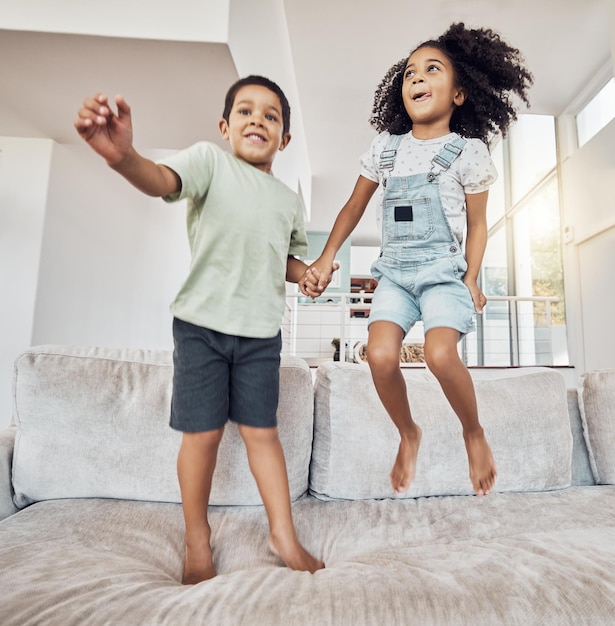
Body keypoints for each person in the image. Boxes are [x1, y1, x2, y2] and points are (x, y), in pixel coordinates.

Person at [75, 75, 327, 584]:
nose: (258, 119)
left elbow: (286, 259)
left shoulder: (287, 203)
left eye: (272, 116)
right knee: (203, 434)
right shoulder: (210, 163)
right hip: (201, 329)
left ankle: (283, 533)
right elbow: (162, 180)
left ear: (285, 139)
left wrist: (309, 275)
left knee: (263, 434)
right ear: (225, 126)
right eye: (246, 111)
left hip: (260, 335)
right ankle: (196, 537)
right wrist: (124, 157)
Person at [301, 23, 533, 497]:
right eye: (409, 73)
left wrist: (472, 277)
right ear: (399, 91)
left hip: (444, 274)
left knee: (440, 353)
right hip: (396, 276)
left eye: (432, 69)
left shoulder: (466, 153)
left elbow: (478, 224)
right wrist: (325, 258)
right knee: (380, 355)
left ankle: (473, 431)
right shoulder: (385, 149)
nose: (418, 78)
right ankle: (409, 432)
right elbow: (353, 207)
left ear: (461, 93)